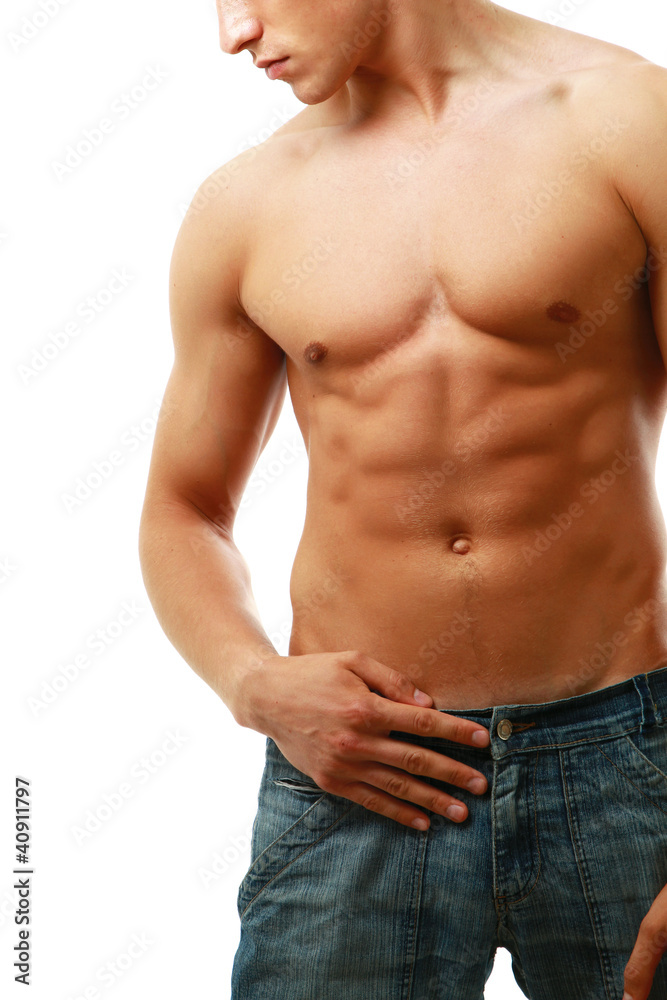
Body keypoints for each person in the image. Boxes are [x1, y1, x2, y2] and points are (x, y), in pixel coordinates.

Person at [138, 1, 667, 997]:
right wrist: (255, 684)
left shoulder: (629, 121)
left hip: (625, 761)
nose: (232, 32)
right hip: (352, 767)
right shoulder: (242, 206)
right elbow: (185, 508)